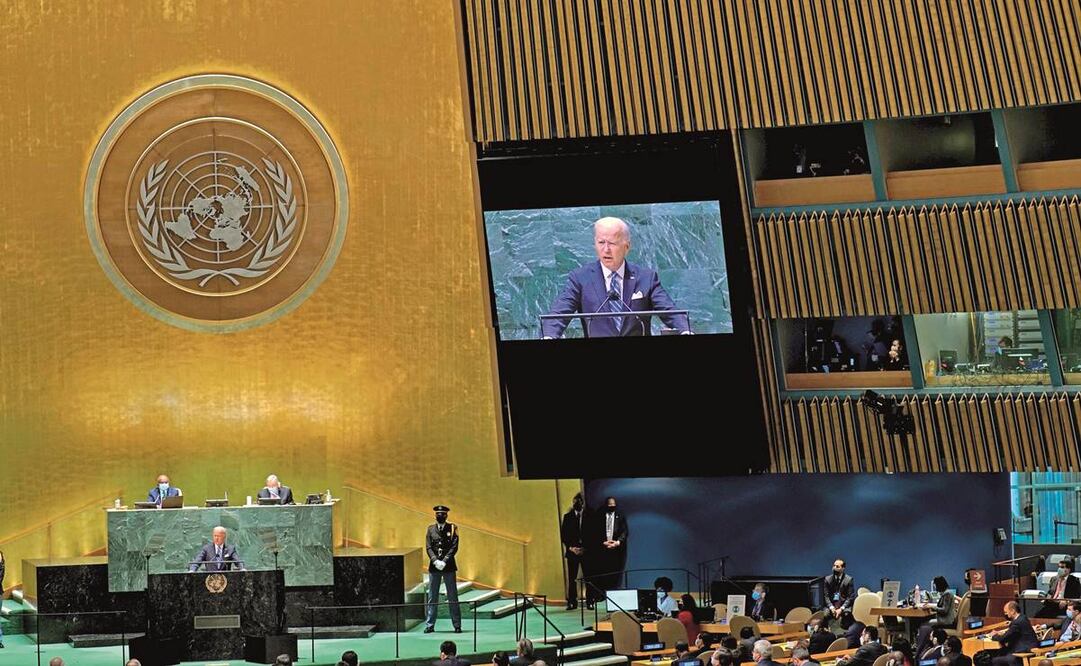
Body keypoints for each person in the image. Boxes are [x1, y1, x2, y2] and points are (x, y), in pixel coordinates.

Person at [542, 217, 690, 339]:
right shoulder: (580, 278)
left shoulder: (646, 277)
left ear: (627, 246)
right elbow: (559, 313)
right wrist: (549, 336)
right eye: (601, 243)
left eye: (612, 243)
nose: (606, 249)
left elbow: (670, 311)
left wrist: (685, 330)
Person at [424, 505, 461, 634]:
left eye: (442, 514)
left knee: (452, 596)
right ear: (435, 515)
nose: (440, 516)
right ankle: (430, 625)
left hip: (448, 566)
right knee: (432, 597)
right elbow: (428, 547)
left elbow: (454, 547)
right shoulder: (430, 529)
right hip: (434, 567)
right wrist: (435, 560)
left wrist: (444, 561)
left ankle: (457, 625)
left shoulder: (452, 528)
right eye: (438, 514)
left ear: (446, 515)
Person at [592, 497, 628, 596]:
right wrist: (603, 542)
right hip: (603, 549)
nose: (612, 506)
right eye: (610, 504)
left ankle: (614, 594)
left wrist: (617, 542)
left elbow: (625, 532)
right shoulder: (599, 515)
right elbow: (594, 532)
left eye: (613, 504)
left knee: (616, 573)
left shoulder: (620, 515)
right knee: (603, 573)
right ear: (606, 505)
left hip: (617, 550)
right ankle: (603, 594)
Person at [915, 577, 957, 657]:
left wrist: (931, 607)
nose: (934, 586)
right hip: (948, 619)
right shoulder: (948, 593)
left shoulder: (947, 594)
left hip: (946, 621)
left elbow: (944, 610)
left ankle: (922, 648)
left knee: (924, 625)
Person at [560, 493, 589, 610]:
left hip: (586, 552)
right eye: (575, 502)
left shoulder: (589, 516)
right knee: (572, 578)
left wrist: (585, 548)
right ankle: (572, 601)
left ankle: (590, 600)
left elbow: (593, 534)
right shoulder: (567, 517)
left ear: (583, 503)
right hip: (572, 552)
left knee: (588, 577)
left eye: (580, 502)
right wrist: (571, 548)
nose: (577, 504)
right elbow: (564, 535)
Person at [988, 601, 1038, 666]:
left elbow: (1003, 638)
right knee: (1001, 652)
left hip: (1022, 651)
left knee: (995, 660)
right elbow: (1011, 633)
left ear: (1013, 611)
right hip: (1029, 647)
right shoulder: (1023, 617)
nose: (1005, 614)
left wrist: (994, 635)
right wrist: (1002, 633)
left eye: (1006, 612)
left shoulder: (1017, 623)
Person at [824, 559, 856, 629]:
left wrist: (841, 609)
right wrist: (831, 607)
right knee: (825, 614)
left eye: (837, 566)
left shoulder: (848, 580)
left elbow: (850, 597)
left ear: (843, 568)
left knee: (847, 615)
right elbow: (826, 596)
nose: (834, 568)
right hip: (832, 605)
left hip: (844, 606)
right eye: (834, 566)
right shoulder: (828, 579)